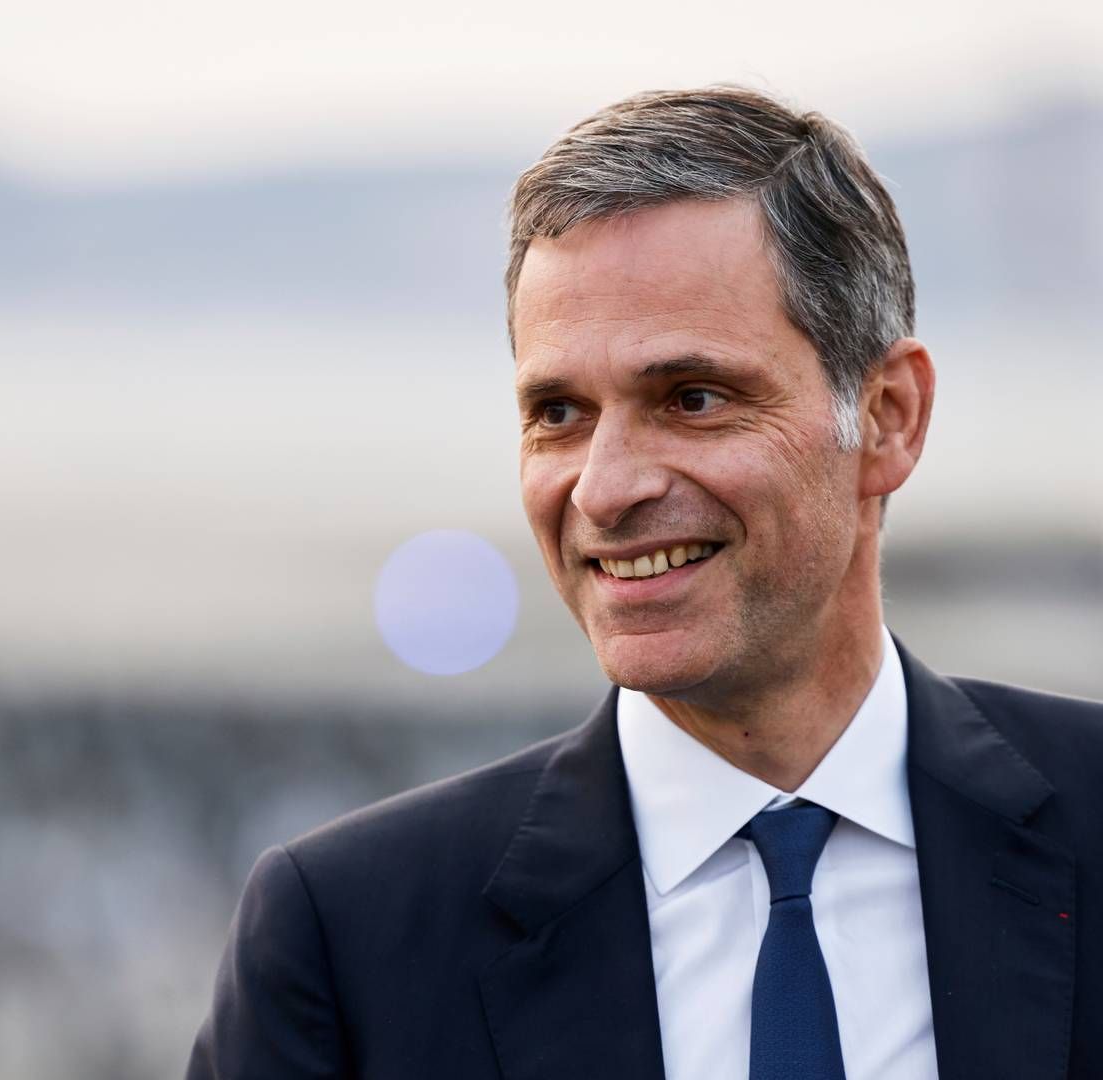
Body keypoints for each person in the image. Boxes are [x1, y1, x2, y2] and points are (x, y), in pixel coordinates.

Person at [187, 87, 1103, 1080]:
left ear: (886, 418)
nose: (607, 488)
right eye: (559, 413)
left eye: (693, 399)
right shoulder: (348, 940)